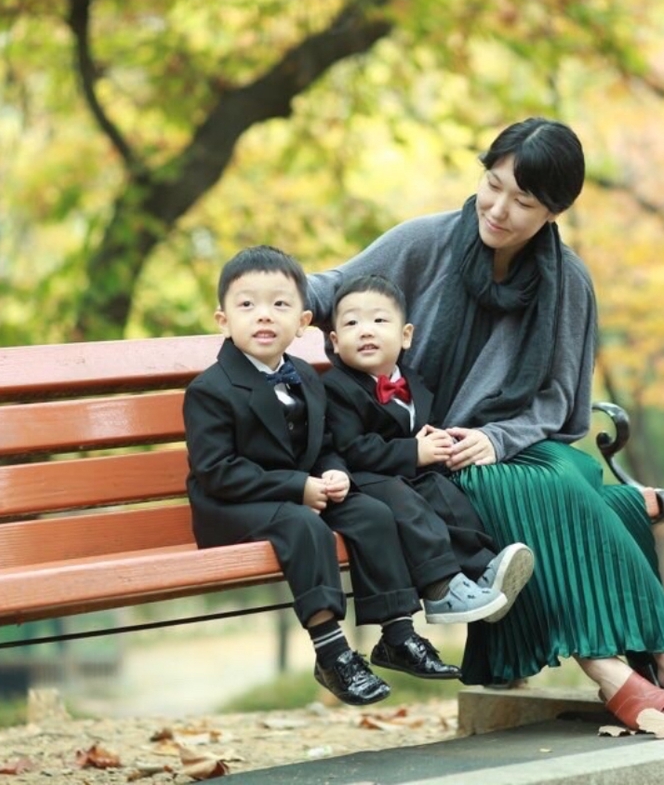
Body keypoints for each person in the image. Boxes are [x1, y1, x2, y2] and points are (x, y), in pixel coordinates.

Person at [307, 118, 664, 730]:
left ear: (555, 209)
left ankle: (649, 667)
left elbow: (559, 401)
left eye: (524, 201)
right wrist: (267, 293)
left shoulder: (567, 279)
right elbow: (329, 287)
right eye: (493, 185)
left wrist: (498, 438)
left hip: (522, 446)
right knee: (587, 499)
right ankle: (646, 666)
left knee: (554, 481)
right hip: (425, 458)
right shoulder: (426, 242)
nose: (498, 209)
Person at [183, 245, 488, 706]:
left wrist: (333, 472)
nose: (264, 316)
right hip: (233, 505)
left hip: (300, 492)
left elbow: (325, 443)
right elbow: (216, 471)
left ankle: (398, 634)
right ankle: (332, 653)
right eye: (247, 305)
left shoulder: (305, 376)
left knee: (370, 511)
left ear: (304, 322)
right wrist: (297, 487)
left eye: (280, 305)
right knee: (303, 526)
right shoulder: (210, 389)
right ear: (223, 320)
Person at [322, 273, 535, 626]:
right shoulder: (335, 388)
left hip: (404, 475)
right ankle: (440, 588)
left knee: (446, 494)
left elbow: (418, 432)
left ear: (406, 336)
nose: (366, 330)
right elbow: (351, 447)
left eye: (379, 320)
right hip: (358, 481)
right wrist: (413, 452)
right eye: (351, 323)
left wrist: (438, 445)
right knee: (407, 504)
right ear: (335, 341)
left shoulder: (414, 382)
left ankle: (482, 568)